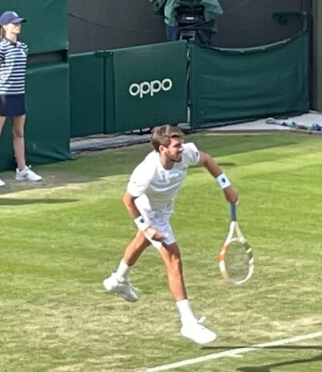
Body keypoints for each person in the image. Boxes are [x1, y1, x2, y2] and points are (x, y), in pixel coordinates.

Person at [102, 124, 238, 345]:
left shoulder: (185, 154)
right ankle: (188, 322)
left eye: (181, 144)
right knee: (174, 260)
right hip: (150, 212)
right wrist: (147, 227)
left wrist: (226, 187)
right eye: (176, 146)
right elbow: (127, 200)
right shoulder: (146, 172)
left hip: (164, 209)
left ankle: (118, 279)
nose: (181, 149)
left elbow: (207, 160)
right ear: (162, 149)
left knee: (142, 241)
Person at [0, 10, 43, 188]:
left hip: (19, 94)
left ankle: (22, 169)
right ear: (5, 26)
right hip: (3, 95)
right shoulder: (0, 48)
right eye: (14, 23)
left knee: (19, 133)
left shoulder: (23, 47)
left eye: (19, 23)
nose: (18, 26)